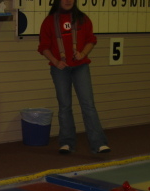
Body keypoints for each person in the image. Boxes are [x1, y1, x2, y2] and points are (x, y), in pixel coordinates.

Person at [37, 0, 111, 154]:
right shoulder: (49, 21)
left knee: (88, 104)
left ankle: (99, 144)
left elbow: (91, 40)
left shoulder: (83, 19)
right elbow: (43, 47)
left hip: (81, 67)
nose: (68, 1)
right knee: (65, 106)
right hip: (60, 69)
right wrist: (56, 62)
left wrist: (82, 53)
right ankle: (67, 143)